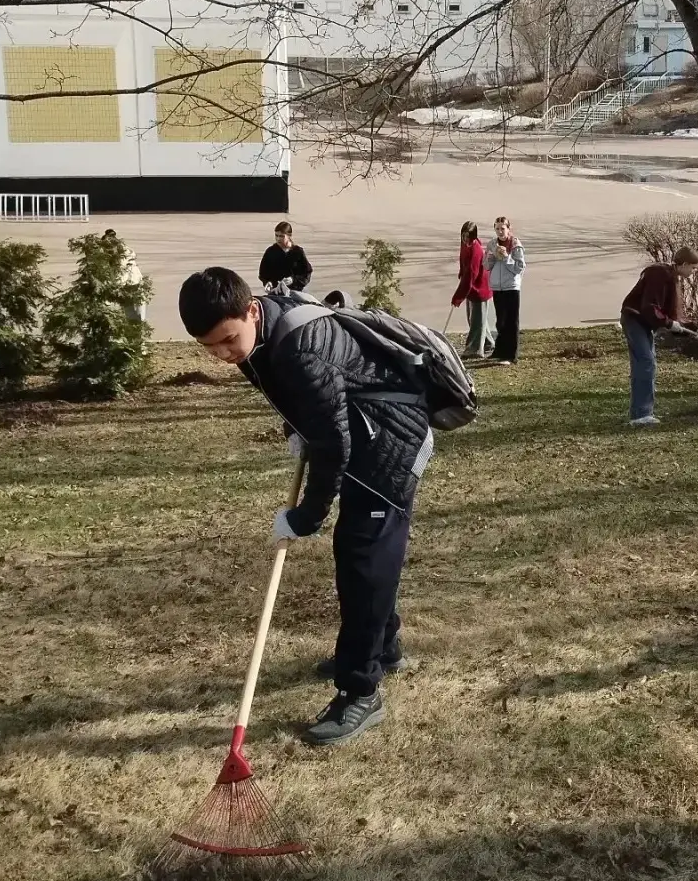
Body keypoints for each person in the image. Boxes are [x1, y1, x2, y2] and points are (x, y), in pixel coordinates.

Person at [177, 266, 433, 747]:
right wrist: (298, 428)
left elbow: (334, 444)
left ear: (251, 310)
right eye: (209, 348)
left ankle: (361, 690)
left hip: (390, 438)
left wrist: (305, 517)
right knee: (359, 556)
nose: (223, 355)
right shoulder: (257, 337)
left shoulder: (299, 348)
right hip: (357, 425)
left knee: (364, 558)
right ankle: (383, 646)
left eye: (228, 340)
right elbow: (308, 402)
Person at [620, 246, 698, 426]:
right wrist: (668, 323)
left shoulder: (672, 278)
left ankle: (640, 413)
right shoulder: (659, 274)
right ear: (684, 264)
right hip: (634, 319)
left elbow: (672, 315)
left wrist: (695, 329)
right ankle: (641, 415)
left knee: (647, 363)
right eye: (693, 268)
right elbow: (650, 307)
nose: (694, 272)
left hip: (644, 323)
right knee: (645, 362)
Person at [484, 215, 525, 365]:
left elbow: (519, 268)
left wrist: (506, 257)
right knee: (500, 321)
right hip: (497, 287)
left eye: (503, 228)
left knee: (511, 321)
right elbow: (486, 266)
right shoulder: (492, 244)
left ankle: (510, 355)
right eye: (497, 229)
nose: (500, 231)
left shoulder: (515, 245)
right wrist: (493, 256)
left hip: (511, 287)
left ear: (509, 229)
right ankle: (499, 351)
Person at [451, 221, 494, 358]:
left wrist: (458, 297)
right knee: (475, 318)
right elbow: (463, 260)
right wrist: (461, 271)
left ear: (473, 236)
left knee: (476, 321)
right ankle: (488, 343)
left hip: (480, 288)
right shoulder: (465, 245)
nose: (465, 239)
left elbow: (471, 275)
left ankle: (474, 350)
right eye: (463, 236)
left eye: (468, 236)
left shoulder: (476, 250)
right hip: (471, 288)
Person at [258, 221, 313, 294]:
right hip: (276, 291)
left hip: (295, 291)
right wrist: (267, 282)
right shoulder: (270, 252)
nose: (278, 239)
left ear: (289, 236)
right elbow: (263, 273)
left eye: (281, 236)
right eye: (276, 235)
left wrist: (293, 280)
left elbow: (306, 273)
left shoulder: (298, 252)